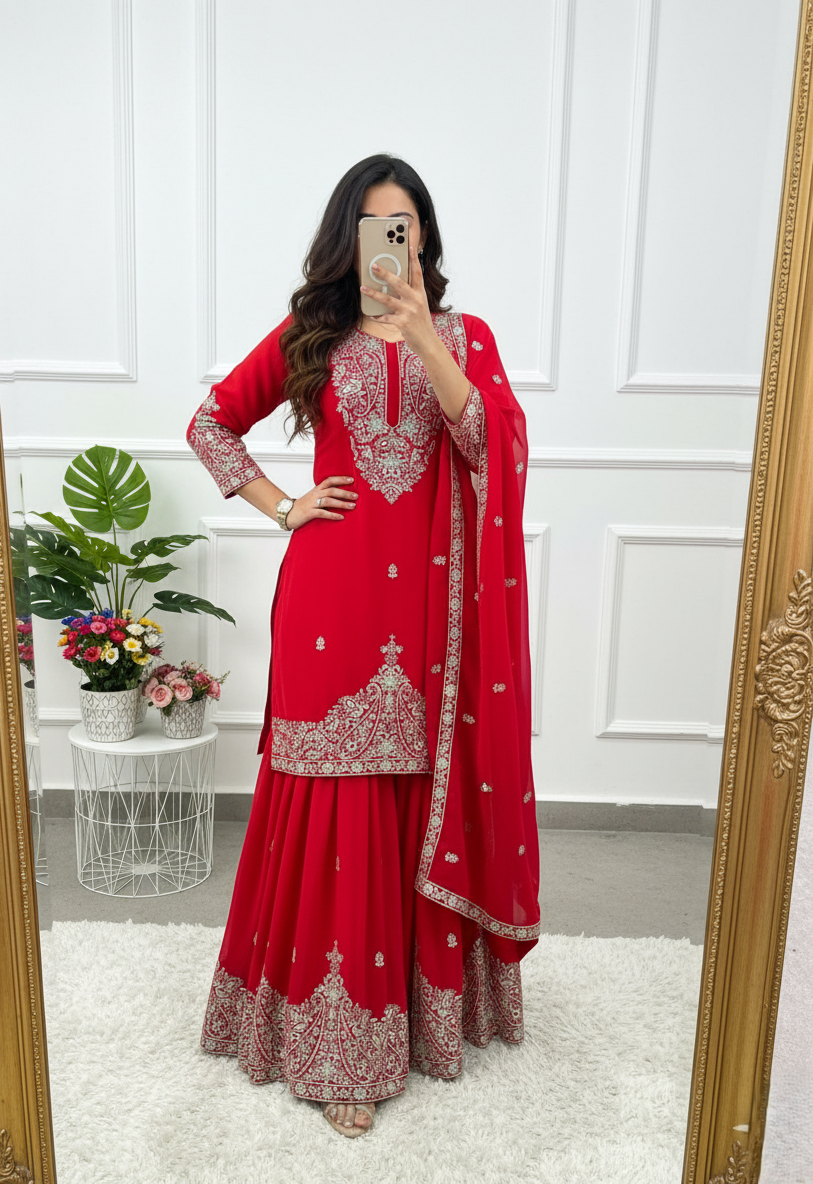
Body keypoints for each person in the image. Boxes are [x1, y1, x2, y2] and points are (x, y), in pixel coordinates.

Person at [187, 153, 540, 1138]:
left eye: (407, 224)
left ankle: (426, 1026)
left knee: (415, 789)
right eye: (376, 225)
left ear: (424, 236)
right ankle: (338, 1047)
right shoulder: (313, 334)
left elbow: (492, 445)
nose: (394, 239)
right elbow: (212, 422)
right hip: (331, 601)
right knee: (337, 801)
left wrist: (422, 332)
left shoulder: (466, 336)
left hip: (430, 609)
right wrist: (284, 505)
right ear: (350, 238)